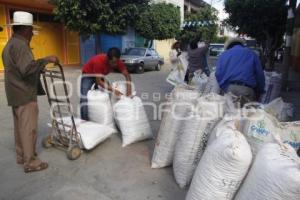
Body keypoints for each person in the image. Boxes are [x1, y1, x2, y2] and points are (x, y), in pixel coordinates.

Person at [2, 11, 59, 173]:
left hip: (15, 93)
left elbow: (18, 69)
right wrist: (46, 60)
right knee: (29, 128)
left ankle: (21, 156)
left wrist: (38, 67)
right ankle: (31, 162)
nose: (33, 34)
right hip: (24, 93)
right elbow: (27, 69)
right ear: (26, 29)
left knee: (20, 127)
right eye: (31, 31)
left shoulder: (10, 44)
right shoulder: (21, 45)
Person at [80, 47, 132, 120]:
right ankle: (84, 121)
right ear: (108, 59)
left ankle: (99, 117)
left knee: (105, 94)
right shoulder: (98, 61)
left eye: (116, 62)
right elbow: (99, 82)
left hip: (100, 74)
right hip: (88, 75)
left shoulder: (118, 62)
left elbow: (127, 76)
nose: (115, 65)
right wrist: (113, 90)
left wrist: (129, 92)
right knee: (84, 98)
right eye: (113, 62)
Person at [215, 37, 265, 102]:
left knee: (229, 111)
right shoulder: (251, 53)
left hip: (230, 89)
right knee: (247, 112)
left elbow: (218, 73)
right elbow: (259, 75)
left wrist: (225, 88)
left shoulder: (223, 55)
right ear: (241, 44)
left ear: (229, 47)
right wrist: (260, 90)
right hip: (247, 90)